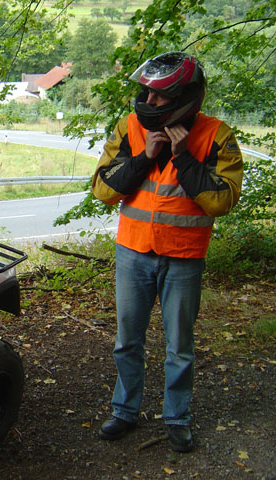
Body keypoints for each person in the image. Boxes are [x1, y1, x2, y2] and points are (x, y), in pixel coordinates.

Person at [92, 52, 243, 452]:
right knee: (127, 341)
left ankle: (177, 417)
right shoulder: (129, 128)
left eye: (159, 96)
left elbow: (222, 201)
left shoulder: (217, 136)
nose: (150, 102)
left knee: (179, 347)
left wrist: (184, 159)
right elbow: (103, 189)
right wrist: (145, 158)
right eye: (146, 93)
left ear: (186, 97)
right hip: (133, 253)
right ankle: (125, 410)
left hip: (183, 257)